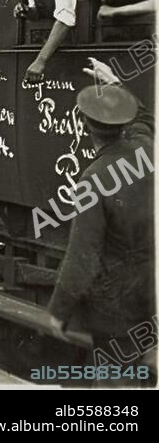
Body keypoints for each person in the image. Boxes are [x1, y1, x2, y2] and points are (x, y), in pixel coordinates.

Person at [48, 62, 155, 387]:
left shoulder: (92, 180)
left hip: (115, 310)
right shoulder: (146, 150)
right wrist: (118, 85)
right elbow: (146, 121)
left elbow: (84, 256)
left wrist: (58, 310)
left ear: (85, 125)